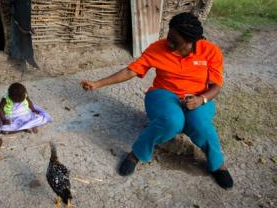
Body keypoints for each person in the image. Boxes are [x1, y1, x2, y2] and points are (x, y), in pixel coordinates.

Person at [80, 12, 233, 189]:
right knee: (172, 121)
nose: (168, 42)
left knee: (201, 125)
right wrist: (97, 83)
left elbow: (216, 87)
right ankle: (136, 154)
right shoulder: (158, 48)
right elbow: (131, 71)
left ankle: (217, 164)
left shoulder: (210, 51)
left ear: (191, 41)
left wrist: (201, 99)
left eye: (175, 40)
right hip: (163, 95)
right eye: (169, 35)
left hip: (199, 98)